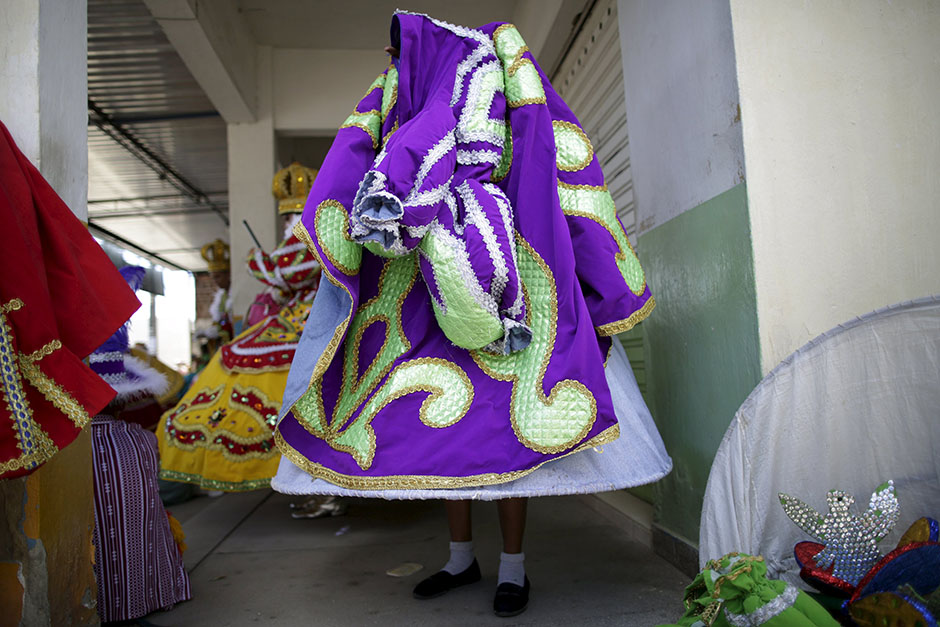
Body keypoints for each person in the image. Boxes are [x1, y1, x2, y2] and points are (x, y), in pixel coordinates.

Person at [270, 11, 671, 617]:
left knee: (505, 433)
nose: (389, 58)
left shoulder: (478, 78)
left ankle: (514, 567)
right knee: (443, 436)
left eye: (395, 48)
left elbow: (512, 165)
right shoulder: (407, 90)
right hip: (417, 288)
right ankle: (461, 559)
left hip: (502, 279)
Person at [156, 163, 322, 493]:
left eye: (291, 216)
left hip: (311, 319)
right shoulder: (308, 236)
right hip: (301, 317)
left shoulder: (311, 234)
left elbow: (283, 272)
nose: (289, 223)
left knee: (249, 361)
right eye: (287, 218)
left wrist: (255, 260)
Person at [88, 266, 191, 623]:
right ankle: (156, 591)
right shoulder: (140, 440)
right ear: (124, 399)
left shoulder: (70, 451)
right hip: (144, 589)